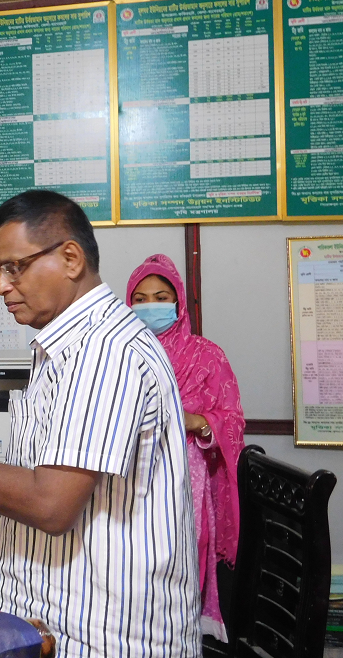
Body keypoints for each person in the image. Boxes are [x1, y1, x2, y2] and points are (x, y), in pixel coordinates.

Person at [0, 190, 201, 657]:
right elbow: (45, 467)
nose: (1, 286)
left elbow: (51, 505)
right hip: (48, 621)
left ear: (70, 259)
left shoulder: (103, 352)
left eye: (14, 268)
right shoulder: (62, 346)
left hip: (99, 636)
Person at [127, 254, 245, 642]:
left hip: (187, 481)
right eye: (140, 299)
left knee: (181, 561)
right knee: (132, 564)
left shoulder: (206, 356)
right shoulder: (121, 354)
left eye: (161, 297)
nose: (150, 306)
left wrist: (196, 421)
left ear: (178, 302)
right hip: (129, 478)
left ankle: (180, 640)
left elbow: (232, 419)